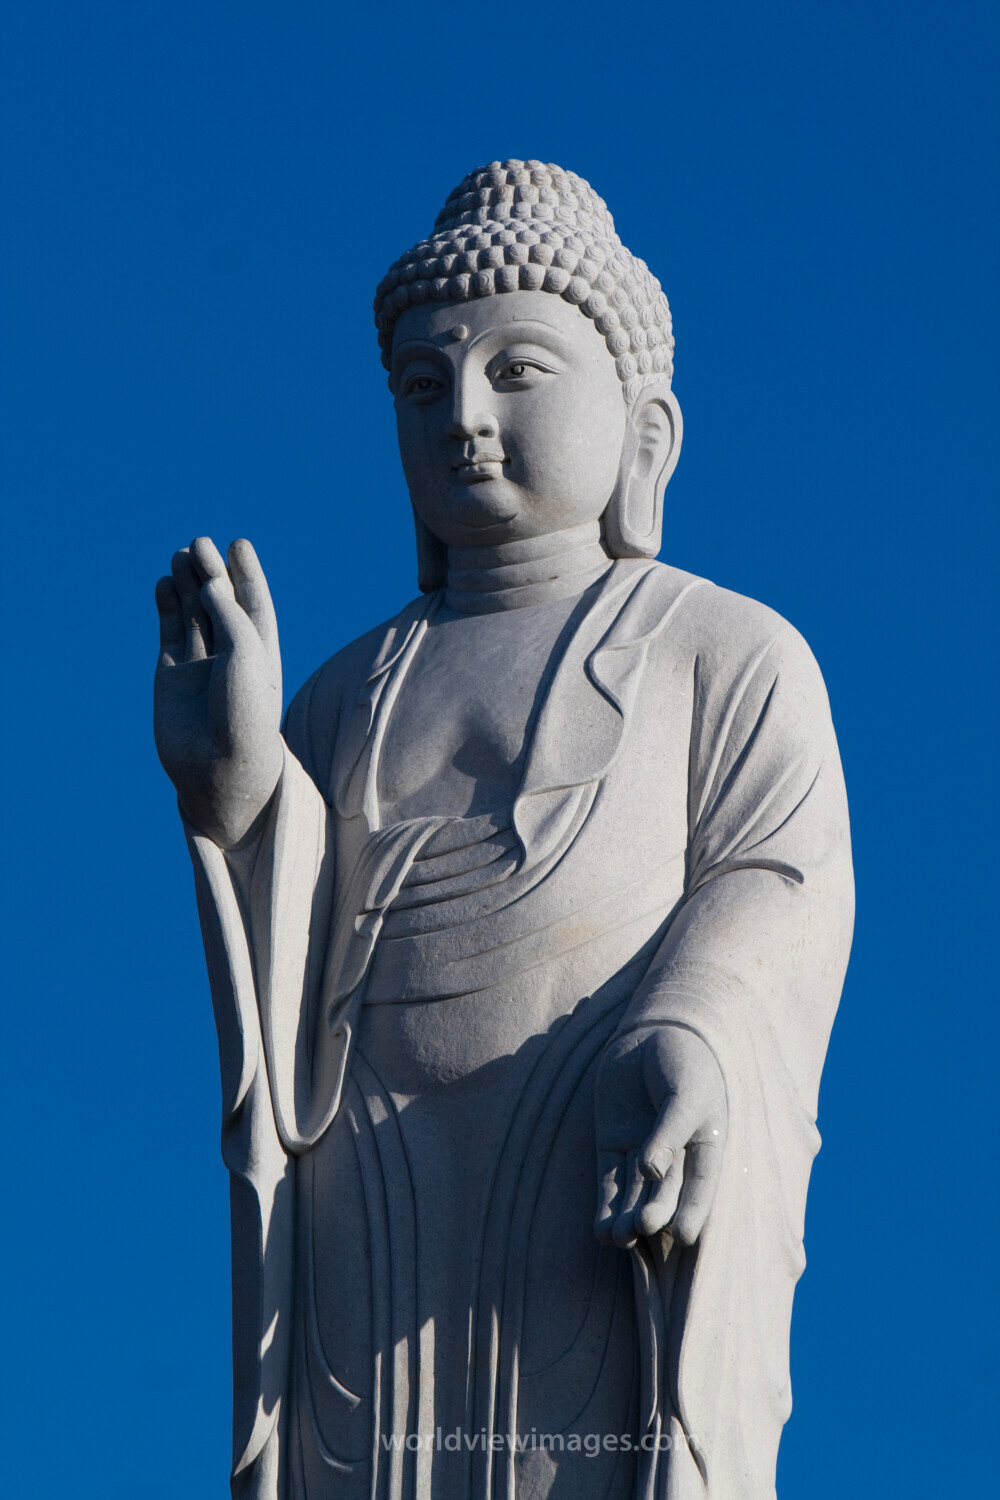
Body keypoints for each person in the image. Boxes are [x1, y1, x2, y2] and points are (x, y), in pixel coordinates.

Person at [154, 161, 853, 1500]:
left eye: (517, 372)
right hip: (372, 1193)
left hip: (597, 1151)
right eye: (425, 390)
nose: (466, 418)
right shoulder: (349, 692)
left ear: (646, 432)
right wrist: (238, 786)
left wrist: (695, 1021)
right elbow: (288, 951)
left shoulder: (722, 650)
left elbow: (787, 872)